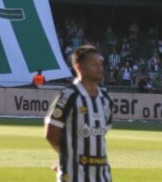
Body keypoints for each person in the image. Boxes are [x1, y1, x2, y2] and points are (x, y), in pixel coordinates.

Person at [45, 45, 113, 181]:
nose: (99, 68)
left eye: (100, 63)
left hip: (102, 175)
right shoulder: (68, 96)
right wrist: (64, 156)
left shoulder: (106, 99)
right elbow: (51, 133)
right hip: (74, 175)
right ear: (79, 67)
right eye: (94, 64)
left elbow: (101, 133)